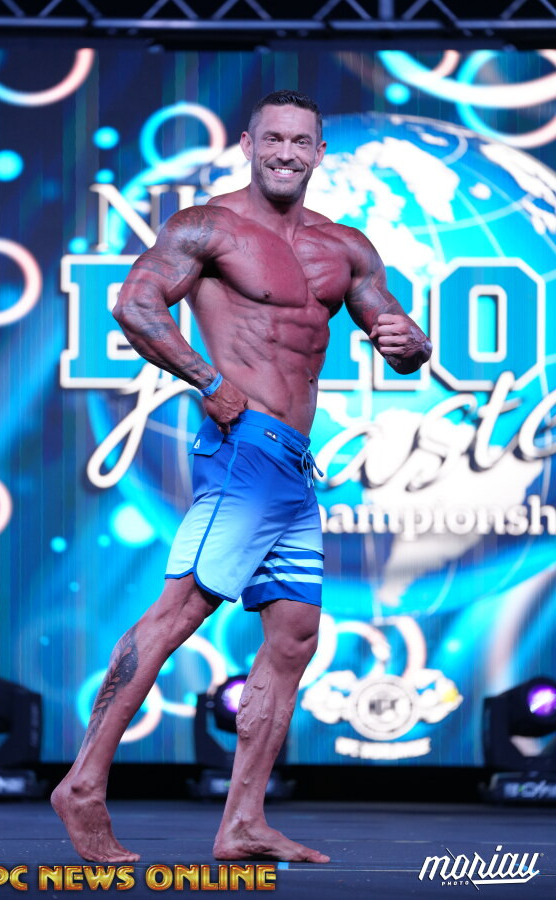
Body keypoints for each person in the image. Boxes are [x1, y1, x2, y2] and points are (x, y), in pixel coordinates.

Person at [51, 89, 431, 865]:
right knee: (179, 611)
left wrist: (411, 343)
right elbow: (134, 305)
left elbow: (396, 335)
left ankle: (243, 821)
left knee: (294, 637)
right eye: (274, 139)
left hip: (294, 462)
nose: (287, 153)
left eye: (301, 141)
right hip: (242, 447)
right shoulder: (208, 226)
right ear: (250, 146)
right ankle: (82, 786)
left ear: (319, 152)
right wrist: (209, 381)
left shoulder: (345, 247)